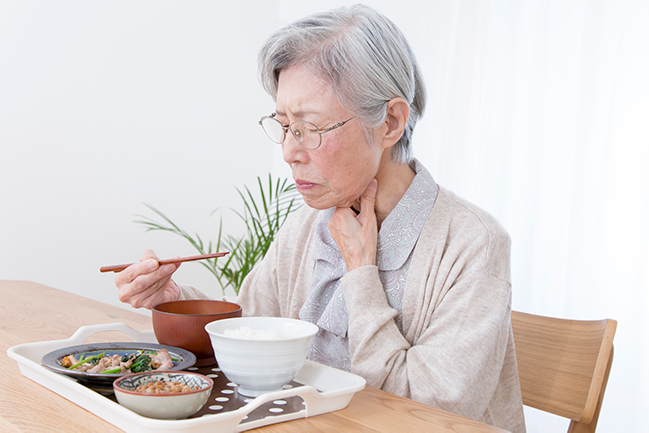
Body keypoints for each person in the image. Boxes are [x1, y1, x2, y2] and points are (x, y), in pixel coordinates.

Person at [115, 4, 526, 432]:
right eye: (284, 125)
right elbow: (250, 334)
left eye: (310, 127)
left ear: (390, 122)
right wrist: (174, 301)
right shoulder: (305, 228)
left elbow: (431, 413)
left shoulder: (472, 243)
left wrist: (361, 276)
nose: (290, 151)